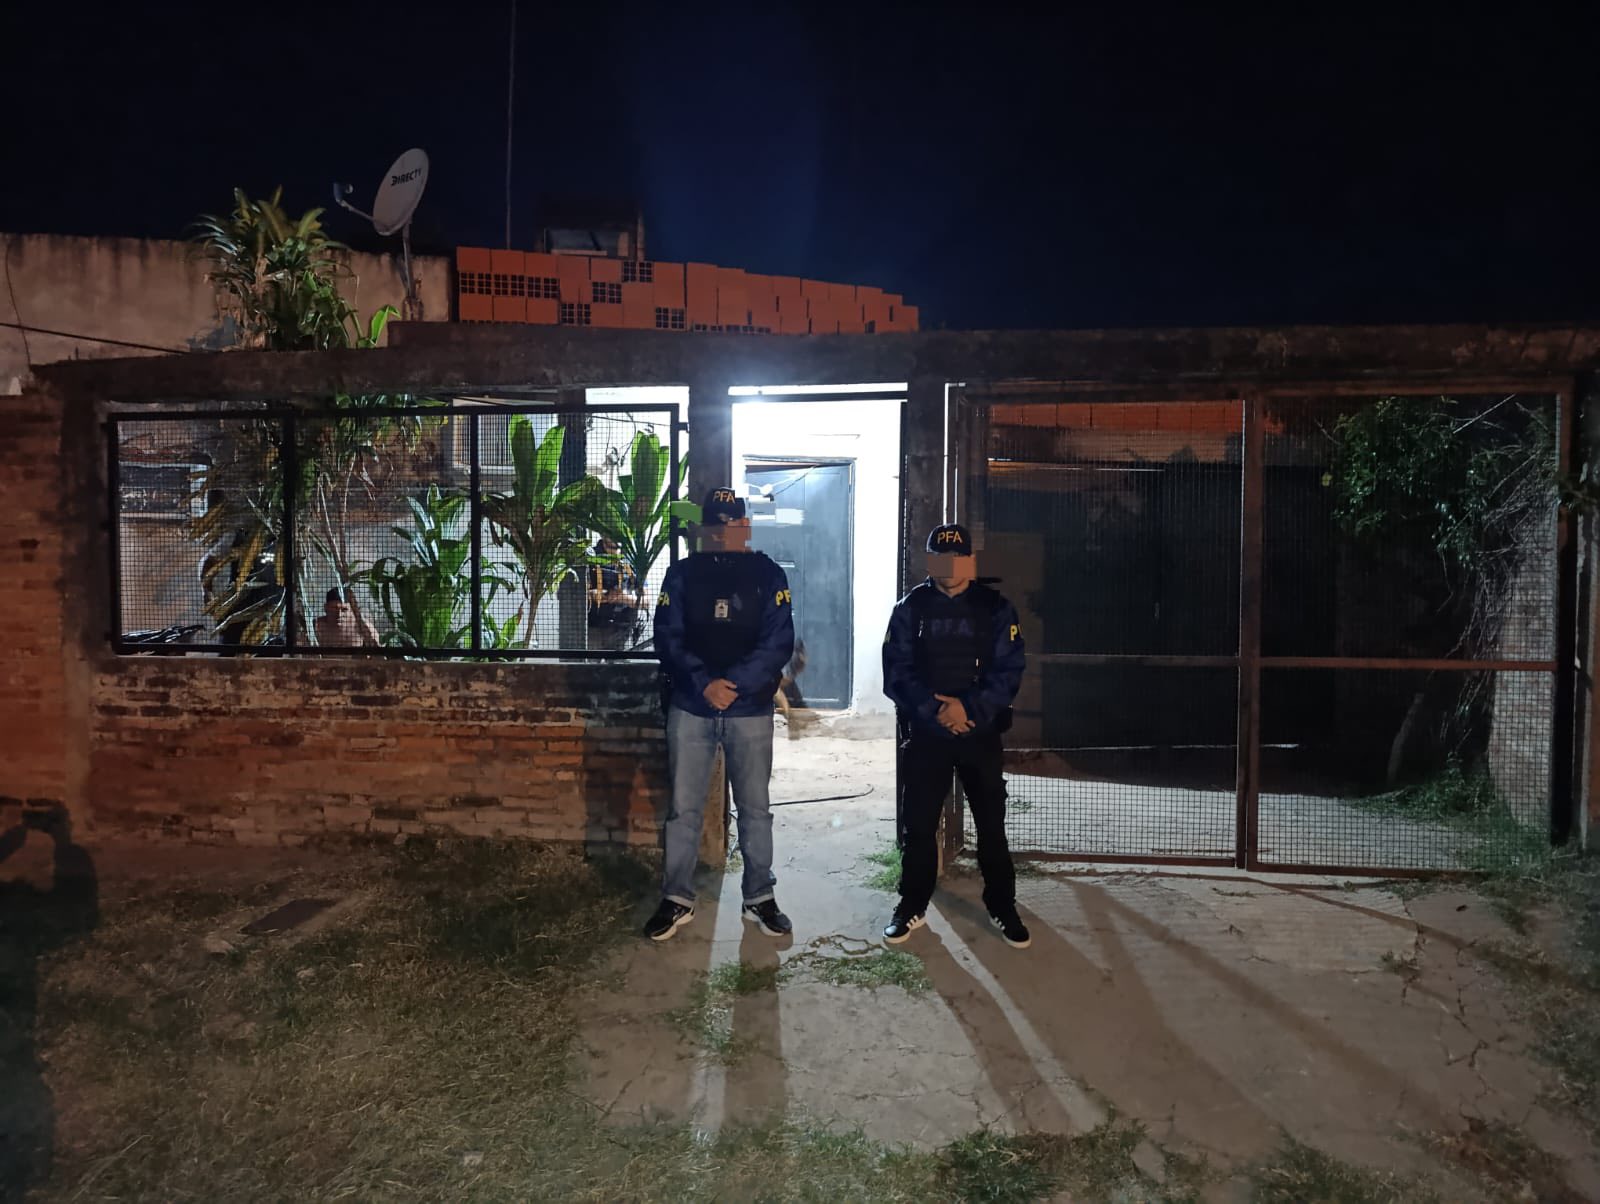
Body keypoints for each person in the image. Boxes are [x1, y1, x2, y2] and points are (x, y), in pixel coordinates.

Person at [643, 487, 796, 941]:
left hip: (749, 709)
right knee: (683, 809)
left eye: (732, 523)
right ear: (704, 530)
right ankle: (677, 897)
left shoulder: (768, 574)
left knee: (755, 810)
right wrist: (704, 683)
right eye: (715, 524)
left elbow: (778, 642)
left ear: (744, 526)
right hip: (693, 705)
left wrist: (735, 685)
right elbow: (668, 636)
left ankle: (759, 896)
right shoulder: (682, 575)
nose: (723, 531)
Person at [881, 522, 1030, 948]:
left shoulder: (995, 608)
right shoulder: (910, 608)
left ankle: (1002, 905)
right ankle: (911, 905)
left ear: (969, 561)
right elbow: (897, 673)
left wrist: (969, 709)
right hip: (928, 735)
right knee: (919, 825)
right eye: (941, 558)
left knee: (991, 825)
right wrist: (937, 712)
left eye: (957, 558)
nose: (949, 566)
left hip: (978, 734)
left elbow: (1009, 671)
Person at [587, 537, 642, 651]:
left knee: (619, 663)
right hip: (592, 629)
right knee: (587, 662)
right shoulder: (589, 557)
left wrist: (623, 598)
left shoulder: (632, 560)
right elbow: (570, 595)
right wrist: (592, 595)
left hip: (621, 631)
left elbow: (646, 602)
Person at [313, 586, 380, 648]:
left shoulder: (362, 627)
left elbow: (378, 652)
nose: (339, 614)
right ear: (326, 608)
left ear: (351, 609)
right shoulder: (316, 626)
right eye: (334, 608)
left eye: (344, 610)